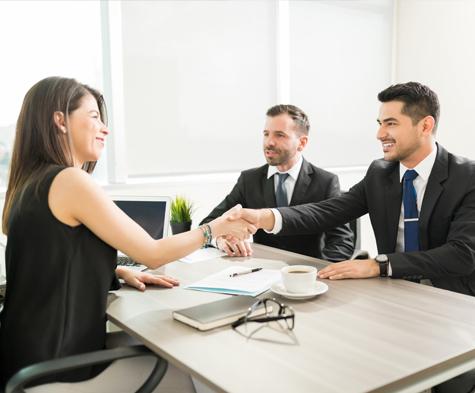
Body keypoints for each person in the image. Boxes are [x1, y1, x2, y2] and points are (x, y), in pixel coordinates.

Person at [0, 76, 255, 389]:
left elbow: (50, 259)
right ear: (60, 121)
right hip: (57, 372)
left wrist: (115, 269)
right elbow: (151, 253)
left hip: (24, 362)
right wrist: (214, 228)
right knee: (186, 373)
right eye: (94, 117)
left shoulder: (29, 185)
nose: (104, 128)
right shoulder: (69, 181)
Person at [237, 82, 475, 393]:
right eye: (379, 124)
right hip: (396, 298)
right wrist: (266, 217)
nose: (379, 134)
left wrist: (379, 265)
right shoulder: (381, 173)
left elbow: (462, 254)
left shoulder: (466, 176)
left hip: (454, 303)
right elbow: (329, 211)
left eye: (391, 123)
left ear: (425, 125)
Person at [200, 104, 354, 261]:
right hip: (261, 272)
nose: (269, 142)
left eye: (279, 135)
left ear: (302, 143)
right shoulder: (249, 180)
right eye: (266, 134)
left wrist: (319, 274)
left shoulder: (325, 182)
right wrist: (219, 240)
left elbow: (342, 242)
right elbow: (207, 224)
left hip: (306, 276)